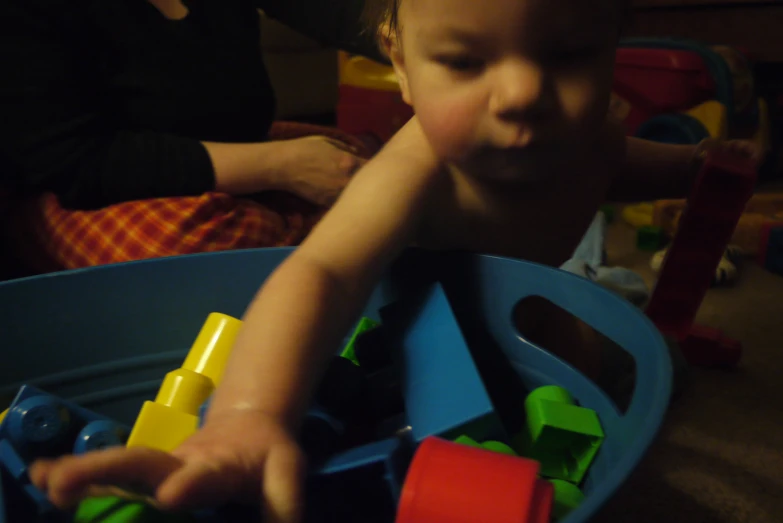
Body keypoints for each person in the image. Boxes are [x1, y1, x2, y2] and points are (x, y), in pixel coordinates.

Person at [29, 0, 765, 521]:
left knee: (604, 380)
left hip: (532, 303)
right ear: (401, 64)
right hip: (419, 337)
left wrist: (696, 167)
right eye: (463, 60)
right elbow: (322, 272)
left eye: (567, 53)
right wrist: (249, 414)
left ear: (613, 38)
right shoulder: (416, 167)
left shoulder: (590, 127)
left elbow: (619, 165)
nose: (522, 93)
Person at [0, 0, 384, 275]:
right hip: (93, 192)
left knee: (373, 172)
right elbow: (76, 162)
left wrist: (423, 39)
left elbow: (345, 11)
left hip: (231, 157)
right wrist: (282, 166)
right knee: (190, 258)